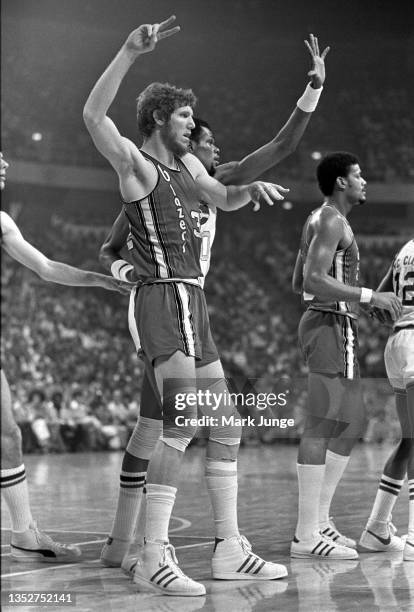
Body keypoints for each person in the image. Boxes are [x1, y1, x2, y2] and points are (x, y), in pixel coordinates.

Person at [83, 15, 303, 596]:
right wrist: (129, 51)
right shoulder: (137, 165)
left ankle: (228, 548)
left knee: (226, 424)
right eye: (184, 116)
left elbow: (231, 187)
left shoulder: (191, 170)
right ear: (160, 119)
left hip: (193, 301)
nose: (192, 125)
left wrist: (247, 189)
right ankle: (153, 554)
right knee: (181, 424)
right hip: (160, 298)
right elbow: (92, 117)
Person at [0, 152, 130, 563]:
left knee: (9, 436)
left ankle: (24, 534)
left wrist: (102, 281)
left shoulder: (2, 222)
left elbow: (46, 267)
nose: (4, 164)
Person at [291, 151, 402, 559]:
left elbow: (298, 281)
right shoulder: (330, 219)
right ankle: (305, 534)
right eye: (358, 175)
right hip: (327, 326)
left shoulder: (326, 221)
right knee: (323, 421)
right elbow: (311, 280)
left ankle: (320, 521)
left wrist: (358, 304)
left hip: (336, 324)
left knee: (353, 420)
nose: (364, 181)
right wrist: (368, 295)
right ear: (341, 182)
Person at [359, 238, 413, 560]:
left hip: (397, 342)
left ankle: (376, 528)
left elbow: (376, 302)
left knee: (410, 440)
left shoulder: (406, 246)